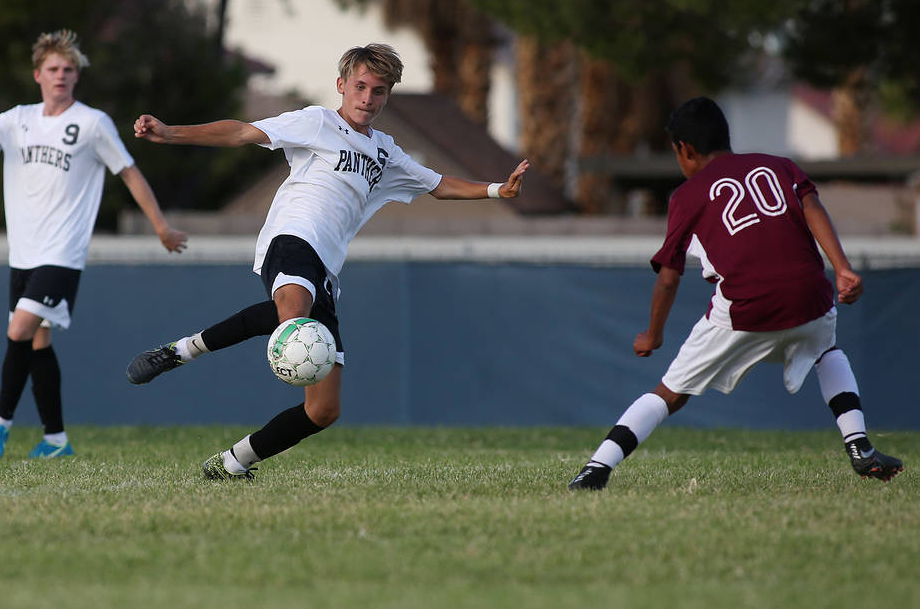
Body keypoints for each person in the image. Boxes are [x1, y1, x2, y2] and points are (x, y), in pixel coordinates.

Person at [126, 43, 529, 480]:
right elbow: (243, 133)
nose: (367, 98)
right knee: (293, 314)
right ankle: (179, 351)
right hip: (293, 239)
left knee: (323, 410)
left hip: (327, 269)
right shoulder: (317, 122)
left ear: (388, 96)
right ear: (341, 85)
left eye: (379, 91)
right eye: (360, 87)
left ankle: (231, 463)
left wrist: (496, 190)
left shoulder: (386, 152)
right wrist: (170, 133)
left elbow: (438, 185)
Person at [567, 97, 903, 491]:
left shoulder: (688, 195)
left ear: (685, 150)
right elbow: (811, 204)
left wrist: (653, 333)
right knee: (827, 351)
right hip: (811, 294)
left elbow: (669, 278)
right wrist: (843, 267)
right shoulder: (778, 165)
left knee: (670, 394)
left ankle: (596, 469)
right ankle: (859, 446)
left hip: (745, 307)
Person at [0, 29, 188, 459]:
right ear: (38, 74)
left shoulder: (92, 123)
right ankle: (56, 440)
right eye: (53, 69)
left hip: (62, 254)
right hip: (24, 254)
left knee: (18, 329)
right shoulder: (18, 120)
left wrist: (160, 226)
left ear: (76, 76)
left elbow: (128, 171)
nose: (61, 76)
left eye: (69, 69)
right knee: (37, 342)